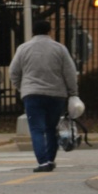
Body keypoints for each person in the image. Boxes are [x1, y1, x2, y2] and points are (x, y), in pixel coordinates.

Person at [9, 18, 79, 172]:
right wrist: (73, 93)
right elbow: (70, 73)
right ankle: (50, 159)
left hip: (32, 95)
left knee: (36, 129)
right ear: (49, 31)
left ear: (33, 31)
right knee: (51, 128)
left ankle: (43, 162)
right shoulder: (60, 49)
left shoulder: (23, 48)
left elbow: (13, 72)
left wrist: (22, 88)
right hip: (56, 94)